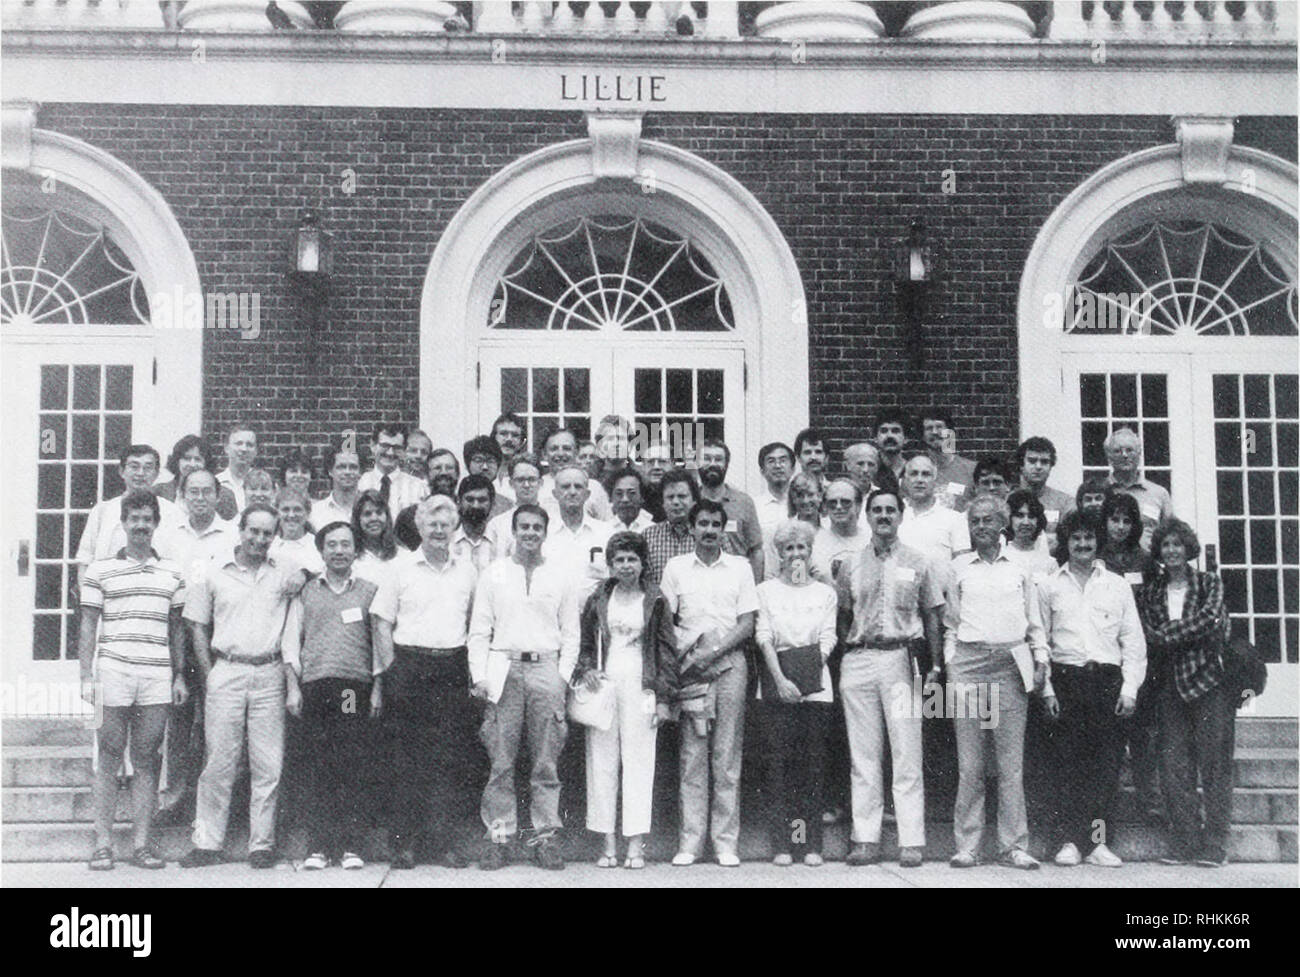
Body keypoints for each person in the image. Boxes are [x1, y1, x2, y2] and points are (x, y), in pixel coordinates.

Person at [179, 504, 304, 869]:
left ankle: (261, 845)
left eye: (267, 533)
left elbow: (315, 571)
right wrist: (209, 674)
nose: (260, 539)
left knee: (268, 763)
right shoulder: (214, 570)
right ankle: (206, 842)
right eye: (254, 531)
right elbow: (197, 625)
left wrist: (306, 573)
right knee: (218, 761)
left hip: (269, 672)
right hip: (226, 670)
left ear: (274, 536)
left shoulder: (283, 572)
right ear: (241, 530)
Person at [78, 490, 188, 871]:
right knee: (107, 756)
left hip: (156, 674)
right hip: (111, 671)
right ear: (123, 523)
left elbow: (176, 630)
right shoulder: (99, 570)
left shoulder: (172, 573)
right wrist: (85, 676)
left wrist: (178, 675)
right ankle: (102, 844)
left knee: (147, 759)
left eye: (147, 519)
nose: (141, 526)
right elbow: (88, 624)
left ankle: (142, 845)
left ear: (156, 524)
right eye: (134, 519)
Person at [469, 504, 581, 871]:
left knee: (546, 763)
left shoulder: (561, 576)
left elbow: (571, 634)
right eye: (524, 527)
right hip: (503, 667)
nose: (530, 533)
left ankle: (545, 839)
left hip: (546, 667)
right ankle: (499, 839)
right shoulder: (494, 574)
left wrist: (561, 679)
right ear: (514, 531)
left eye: (537, 527)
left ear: (545, 533)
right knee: (501, 761)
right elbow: (480, 630)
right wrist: (480, 676)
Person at [836, 489, 943, 869]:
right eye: (877, 510)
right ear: (867, 516)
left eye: (890, 510)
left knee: (906, 752)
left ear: (901, 516)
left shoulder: (919, 560)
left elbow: (931, 616)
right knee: (863, 756)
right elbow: (844, 617)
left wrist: (934, 667)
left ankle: (911, 841)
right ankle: (865, 838)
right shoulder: (850, 564)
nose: (884, 516)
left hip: (903, 658)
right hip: (860, 658)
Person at [944, 494, 1050, 870]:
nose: (982, 527)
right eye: (976, 522)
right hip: (969, 664)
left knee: (1010, 764)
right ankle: (968, 845)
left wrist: (1040, 660)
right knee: (970, 763)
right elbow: (950, 626)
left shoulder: (1019, 567)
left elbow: (1034, 622)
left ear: (1003, 524)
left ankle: (1013, 845)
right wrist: (951, 664)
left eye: (989, 520)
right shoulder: (958, 567)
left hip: (1010, 663)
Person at [373, 496, 479, 869]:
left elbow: (475, 624)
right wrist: (391, 671)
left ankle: (443, 844)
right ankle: (404, 844)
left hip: (451, 668)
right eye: (431, 524)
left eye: (445, 525)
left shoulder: (467, 570)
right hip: (408, 667)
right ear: (419, 527)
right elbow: (382, 623)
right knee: (406, 760)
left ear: (454, 529)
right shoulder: (399, 569)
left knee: (448, 760)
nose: (438, 531)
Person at [1038, 509, 1146, 869]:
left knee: (1105, 767)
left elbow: (1132, 641)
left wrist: (1129, 689)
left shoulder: (1116, 585)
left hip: (1106, 683)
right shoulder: (1050, 585)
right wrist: (1048, 690)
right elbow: (1042, 640)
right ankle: (1068, 841)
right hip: (1066, 681)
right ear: (1065, 543)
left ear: (1098, 541)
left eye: (1088, 538)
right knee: (1066, 766)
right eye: (1075, 538)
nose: (1083, 544)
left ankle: (1098, 843)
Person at [283, 521, 391, 871]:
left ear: (355, 550)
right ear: (322, 551)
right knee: (318, 764)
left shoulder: (368, 590)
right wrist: (293, 686)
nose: (339, 551)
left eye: (346, 544)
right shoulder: (307, 591)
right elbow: (291, 640)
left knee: (349, 761)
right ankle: (319, 846)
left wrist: (376, 687)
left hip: (349, 688)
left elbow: (378, 644)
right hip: (315, 686)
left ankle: (350, 845)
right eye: (332, 545)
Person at [659, 499, 759, 867]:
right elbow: (666, 621)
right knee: (692, 755)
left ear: (724, 528)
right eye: (703, 523)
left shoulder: (740, 568)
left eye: (716, 524)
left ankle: (725, 843)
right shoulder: (676, 568)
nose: (710, 530)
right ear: (694, 526)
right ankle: (690, 842)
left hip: (730, 663)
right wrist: (691, 657)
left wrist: (715, 650)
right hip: (691, 668)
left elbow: (747, 623)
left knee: (727, 754)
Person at [1136, 519, 1235, 867]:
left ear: (1188, 548)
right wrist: (1175, 635)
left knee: (1214, 764)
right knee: (1174, 767)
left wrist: (1168, 635)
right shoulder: (1151, 591)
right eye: (1166, 545)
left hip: (1209, 683)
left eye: (1178, 544)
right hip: (1169, 687)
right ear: (1159, 551)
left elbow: (1211, 620)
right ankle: (1185, 842)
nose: (1172, 551)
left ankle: (1215, 844)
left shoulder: (1209, 583)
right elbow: (1147, 629)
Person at [575, 532, 677, 869]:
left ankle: (635, 844)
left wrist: (663, 697)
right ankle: (607, 844)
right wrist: (587, 668)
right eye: (619, 560)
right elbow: (585, 643)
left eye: (632, 559)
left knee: (639, 761)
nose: (626, 565)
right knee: (601, 761)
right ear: (610, 564)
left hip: (641, 684)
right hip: (605, 683)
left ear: (642, 562)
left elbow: (666, 651)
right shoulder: (599, 596)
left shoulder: (656, 598)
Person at [152, 468, 238, 825]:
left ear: (218, 496)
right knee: (179, 720)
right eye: (193, 492)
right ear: (182, 496)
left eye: (207, 492)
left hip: (218, 633)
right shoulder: (168, 536)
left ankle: (214, 803)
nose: (200, 498)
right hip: (178, 633)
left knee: (218, 722)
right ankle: (174, 798)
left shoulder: (231, 535)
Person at [756, 519, 837, 867]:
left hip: (815, 688)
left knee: (811, 769)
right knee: (780, 769)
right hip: (778, 687)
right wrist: (781, 680)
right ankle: (784, 845)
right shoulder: (766, 591)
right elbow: (764, 637)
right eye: (789, 548)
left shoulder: (825, 593)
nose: (795, 554)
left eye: (801, 547)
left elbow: (828, 637)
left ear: (810, 550)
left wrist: (806, 676)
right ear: (779, 554)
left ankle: (808, 844)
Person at [1100, 492, 1161, 818]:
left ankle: (1147, 799)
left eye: (1126, 520)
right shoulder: (1094, 556)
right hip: (1106, 649)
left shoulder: (1145, 561)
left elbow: (1154, 603)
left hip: (1139, 651)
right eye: (1114, 519)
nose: (1120, 527)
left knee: (1142, 729)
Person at [75, 444, 184, 584]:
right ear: (122, 471)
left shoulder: (172, 512)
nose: (140, 473)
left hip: (156, 593)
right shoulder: (103, 511)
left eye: (148, 467)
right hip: (110, 594)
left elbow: (180, 561)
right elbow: (85, 560)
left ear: (157, 473)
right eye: (134, 466)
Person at [696, 438, 764, 582]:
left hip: (735, 582)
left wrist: (755, 587)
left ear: (726, 464)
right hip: (697, 581)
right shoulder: (691, 501)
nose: (712, 464)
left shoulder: (744, 502)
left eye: (718, 459)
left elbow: (756, 550)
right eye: (707, 459)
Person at [542, 466, 615, 601]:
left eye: (578, 487)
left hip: (594, 616)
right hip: (552, 615)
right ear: (555, 494)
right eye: (565, 487)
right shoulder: (543, 533)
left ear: (587, 494)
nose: (572, 492)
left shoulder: (606, 532)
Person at [1105, 428, 1174, 549]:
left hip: (1147, 564)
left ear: (1139, 453)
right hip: (1107, 564)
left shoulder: (1159, 494)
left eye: (1129, 450)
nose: (1124, 455)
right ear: (1109, 456)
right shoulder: (1099, 492)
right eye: (1117, 451)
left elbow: (1170, 535)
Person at [897, 453, 969, 567]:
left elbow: (963, 566)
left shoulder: (955, 519)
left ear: (935, 480)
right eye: (914, 474)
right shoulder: (893, 515)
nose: (919, 479)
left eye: (926, 474)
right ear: (905, 480)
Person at [155, 434, 238, 520]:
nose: (192, 464)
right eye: (187, 458)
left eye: (198, 459)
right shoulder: (159, 492)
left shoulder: (224, 495)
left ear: (207, 463)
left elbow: (232, 527)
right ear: (177, 461)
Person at [540, 427, 612, 521]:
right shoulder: (537, 486)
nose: (561, 453)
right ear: (544, 454)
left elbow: (606, 524)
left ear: (576, 452)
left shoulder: (594, 488)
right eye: (554, 449)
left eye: (567, 448)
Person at [359, 423, 428, 519]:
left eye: (397, 448)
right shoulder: (361, 484)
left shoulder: (418, 487)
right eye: (385, 446)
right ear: (373, 445)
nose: (390, 453)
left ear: (404, 451)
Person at [643, 469, 699, 585]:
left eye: (682, 496)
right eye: (670, 497)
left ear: (694, 500)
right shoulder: (647, 536)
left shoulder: (708, 534)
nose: (676, 502)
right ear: (662, 503)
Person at [1016, 436, 1074, 547]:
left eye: (1044, 462)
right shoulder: (1007, 501)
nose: (1038, 467)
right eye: (1032, 461)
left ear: (1051, 466)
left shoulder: (1065, 503)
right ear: (1021, 465)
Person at [811, 478, 869, 583]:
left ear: (858, 506)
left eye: (845, 502)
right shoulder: (813, 543)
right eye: (832, 502)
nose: (838, 507)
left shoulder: (871, 542)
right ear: (825, 507)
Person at [485, 454, 544, 556]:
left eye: (532, 480)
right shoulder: (497, 524)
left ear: (540, 483)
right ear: (511, 483)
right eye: (520, 480)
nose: (526, 485)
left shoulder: (554, 521)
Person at [920, 409, 977, 508]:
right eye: (929, 428)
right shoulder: (916, 471)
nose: (934, 432)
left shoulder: (972, 470)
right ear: (923, 436)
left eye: (939, 427)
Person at [351, 489, 402, 592]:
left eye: (379, 513)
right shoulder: (352, 558)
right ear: (358, 519)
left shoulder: (402, 556)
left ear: (387, 517)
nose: (374, 518)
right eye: (367, 514)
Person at [1003, 488, 1057, 579]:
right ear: (1010, 519)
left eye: (1031, 516)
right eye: (1019, 516)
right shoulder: (1002, 557)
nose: (1026, 522)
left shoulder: (1049, 564)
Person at [269, 486, 323, 575]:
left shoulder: (318, 545)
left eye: (297, 510)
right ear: (277, 513)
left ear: (307, 513)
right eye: (285, 510)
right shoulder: (270, 545)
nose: (291, 515)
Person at [452, 474, 498, 570]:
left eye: (482, 500)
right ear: (458, 501)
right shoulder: (447, 543)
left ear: (492, 503)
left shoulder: (501, 542)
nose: (475, 506)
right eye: (469, 499)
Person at [755, 441, 795, 549]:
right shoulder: (754, 506)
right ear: (762, 471)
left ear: (793, 469)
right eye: (771, 461)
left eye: (783, 460)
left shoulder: (802, 504)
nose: (777, 466)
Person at [312, 444, 362, 528]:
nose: (347, 472)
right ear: (330, 471)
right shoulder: (316, 512)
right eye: (341, 467)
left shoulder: (371, 509)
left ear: (360, 472)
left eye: (353, 467)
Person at [464, 435, 511, 515]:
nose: (485, 467)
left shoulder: (507, 505)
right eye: (478, 460)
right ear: (467, 465)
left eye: (490, 461)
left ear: (498, 465)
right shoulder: (457, 502)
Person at [215, 425, 257, 512]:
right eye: (239, 443)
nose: (244, 449)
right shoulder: (216, 483)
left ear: (256, 451)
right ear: (226, 448)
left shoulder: (266, 486)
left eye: (249, 445)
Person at [489, 412, 527, 502]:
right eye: (503, 434)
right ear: (494, 437)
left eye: (515, 435)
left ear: (522, 442)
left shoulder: (525, 475)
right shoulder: (485, 471)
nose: (509, 439)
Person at [607, 467, 654, 532]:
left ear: (642, 497)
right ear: (611, 498)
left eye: (632, 493)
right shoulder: (602, 530)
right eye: (619, 493)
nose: (625, 499)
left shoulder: (653, 530)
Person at [873, 408, 910, 484]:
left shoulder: (913, 470)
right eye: (884, 431)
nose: (889, 436)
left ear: (906, 438)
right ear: (875, 438)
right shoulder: (870, 471)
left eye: (895, 431)